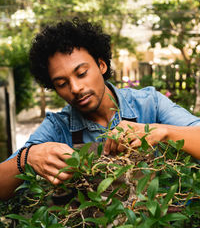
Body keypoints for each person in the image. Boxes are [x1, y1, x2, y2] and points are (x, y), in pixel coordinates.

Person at [1, 18, 200, 201]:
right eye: (62, 83)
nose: (76, 88)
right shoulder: (57, 127)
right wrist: (26, 158)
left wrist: (162, 132)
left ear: (101, 65)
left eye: (81, 73)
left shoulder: (149, 104)